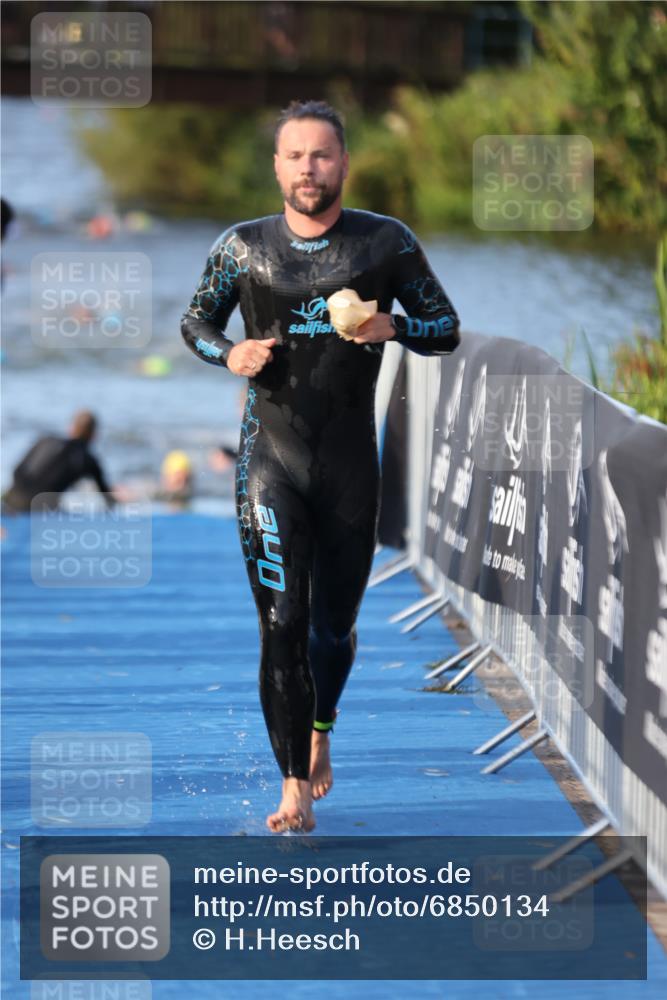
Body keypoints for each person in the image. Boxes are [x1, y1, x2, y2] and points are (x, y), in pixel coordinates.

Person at [181, 100, 460, 832]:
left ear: (344, 164)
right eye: (296, 156)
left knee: (331, 629)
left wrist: (393, 324)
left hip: (347, 467)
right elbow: (194, 321)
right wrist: (229, 354)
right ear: (277, 167)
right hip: (269, 461)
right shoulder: (242, 248)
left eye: (322, 155)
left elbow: (446, 329)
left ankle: (321, 729)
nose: (309, 169)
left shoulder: (384, 243)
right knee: (282, 622)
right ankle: (292, 786)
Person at [1, 410, 116, 513]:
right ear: (93, 435)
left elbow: (17, 470)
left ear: (71, 428)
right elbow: (107, 498)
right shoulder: (88, 459)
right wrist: (118, 498)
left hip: (11, 499)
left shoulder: (46, 441)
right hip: (39, 509)